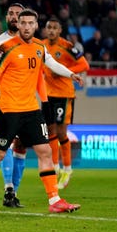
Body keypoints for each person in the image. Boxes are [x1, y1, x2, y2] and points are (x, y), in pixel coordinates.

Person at [0, 9, 81, 214]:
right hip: (9, 110)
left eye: (31, 23)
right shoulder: (6, 48)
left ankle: (54, 200)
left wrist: (70, 74)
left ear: (36, 26)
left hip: (31, 110)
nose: (27, 27)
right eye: (24, 23)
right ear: (18, 25)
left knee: (45, 151)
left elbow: (46, 68)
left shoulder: (39, 47)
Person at [43, 18, 90, 189]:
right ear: (46, 30)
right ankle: (55, 167)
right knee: (50, 132)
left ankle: (67, 169)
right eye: (49, 28)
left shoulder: (68, 46)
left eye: (55, 28)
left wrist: (66, 73)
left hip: (64, 95)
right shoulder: (41, 45)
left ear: (60, 30)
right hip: (47, 95)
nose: (52, 31)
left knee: (62, 133)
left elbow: (85, 65)